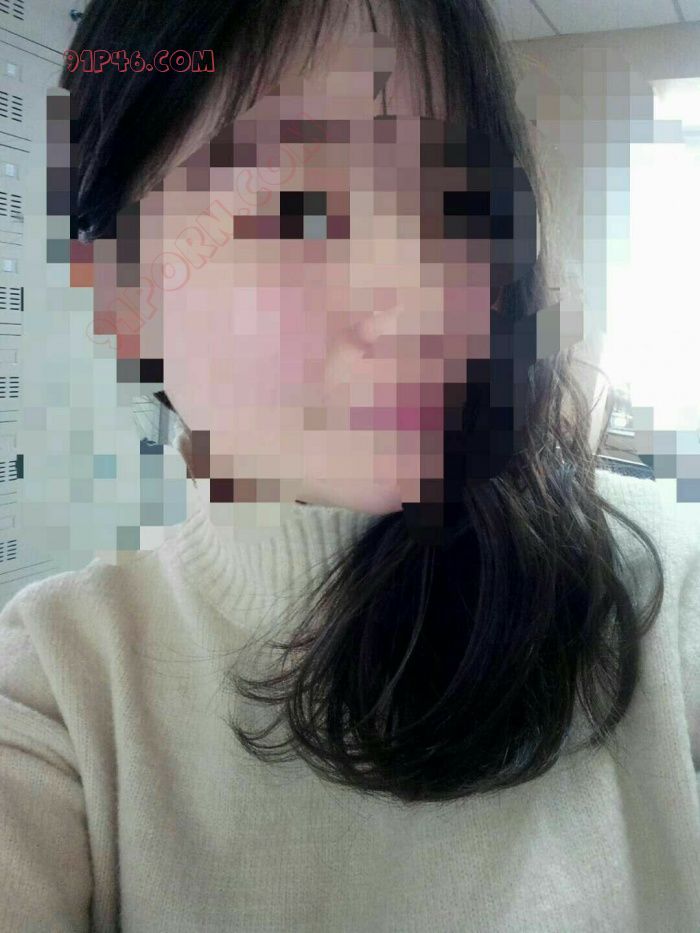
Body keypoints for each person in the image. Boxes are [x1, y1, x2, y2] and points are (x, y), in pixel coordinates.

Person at [2, 0, 699, 930]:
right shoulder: (60, 689)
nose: (424, 294)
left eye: (453, 200)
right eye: (300, 209)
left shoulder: (661, 591)